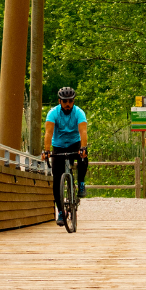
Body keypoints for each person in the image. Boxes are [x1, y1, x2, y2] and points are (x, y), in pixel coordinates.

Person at [44, 86, 88, 227]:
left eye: (70, 101)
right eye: (65, 101)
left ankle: (81, 183)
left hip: (75, 143)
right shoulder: (53, 113)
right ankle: (61, 211)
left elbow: (83, 131)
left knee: (83, 158)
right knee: (57, 179)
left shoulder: (79, 112)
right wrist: (46, 150)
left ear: (73, 101)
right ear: (60, 101)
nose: (68, 104)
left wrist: (83, 148)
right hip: (59, 145)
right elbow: (48, 133)